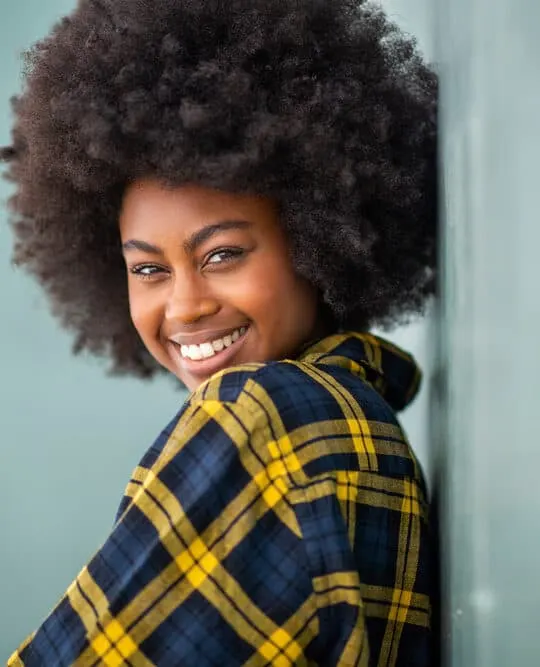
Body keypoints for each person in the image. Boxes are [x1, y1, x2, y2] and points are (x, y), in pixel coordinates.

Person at [2, 0, 437, 664]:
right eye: (148, 268)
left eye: (223, 254)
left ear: (318, 241)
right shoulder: (358, 414)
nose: (183, 307)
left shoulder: (260, 416)